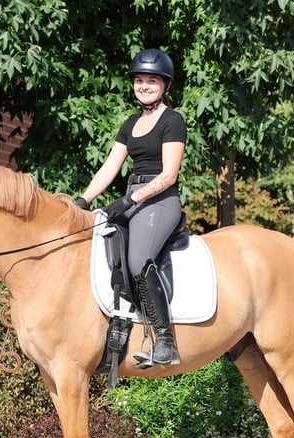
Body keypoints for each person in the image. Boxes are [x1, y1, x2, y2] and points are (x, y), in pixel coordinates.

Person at [75, 48, 187, 366]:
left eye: (151, 81)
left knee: (138, 260)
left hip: (160, 201)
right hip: (133, 199)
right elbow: (110, 168)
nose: (143, 86)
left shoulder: (172, 121)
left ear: (165, 85)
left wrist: (129, 200)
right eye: (139, 80)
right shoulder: (130, 123)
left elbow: (168, 175)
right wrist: (83, 201)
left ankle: (165, 342)